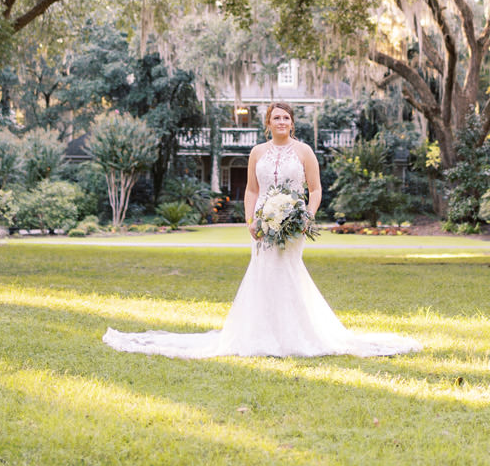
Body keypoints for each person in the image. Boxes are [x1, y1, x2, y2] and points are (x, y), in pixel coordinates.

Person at [102, 102, 420, 358]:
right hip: (264, 224)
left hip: (293, 225)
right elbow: (253, 191)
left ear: (292, 123)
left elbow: (316, 189)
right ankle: (261, 334)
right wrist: (250, 220)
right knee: (263, 274)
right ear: (268, 123)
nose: (281, 122)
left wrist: (307, 216)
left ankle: (296, 334)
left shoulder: (304, 151)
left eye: (286, 117)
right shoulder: (256, 152)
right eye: (275, 118)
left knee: (290, 274)